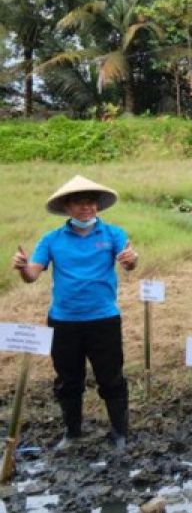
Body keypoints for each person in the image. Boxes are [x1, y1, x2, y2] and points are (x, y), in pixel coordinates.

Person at [12, 176, 138, 450]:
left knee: (111, 377)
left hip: (103, 318)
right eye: (79, 203)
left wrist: (131, 260)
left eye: (91, 202)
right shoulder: (52, 239)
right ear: (67, 207)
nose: (87, 208)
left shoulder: (112, 234)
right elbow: (33, 274)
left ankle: (120, 433)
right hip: (63, 321)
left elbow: (128, 261)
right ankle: (72, 433)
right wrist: (23, 267)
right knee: (68, 380)